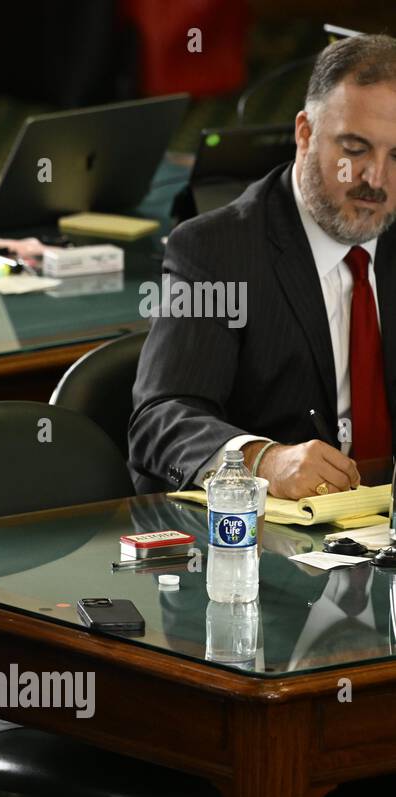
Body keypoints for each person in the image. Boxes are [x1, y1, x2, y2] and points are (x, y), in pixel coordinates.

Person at [130, 33, 396, 497]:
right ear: (305, 134)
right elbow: (160, 420)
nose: (375, 179)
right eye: (354, 150)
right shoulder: (214, 251)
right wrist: (263, 460)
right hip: (270, 547)